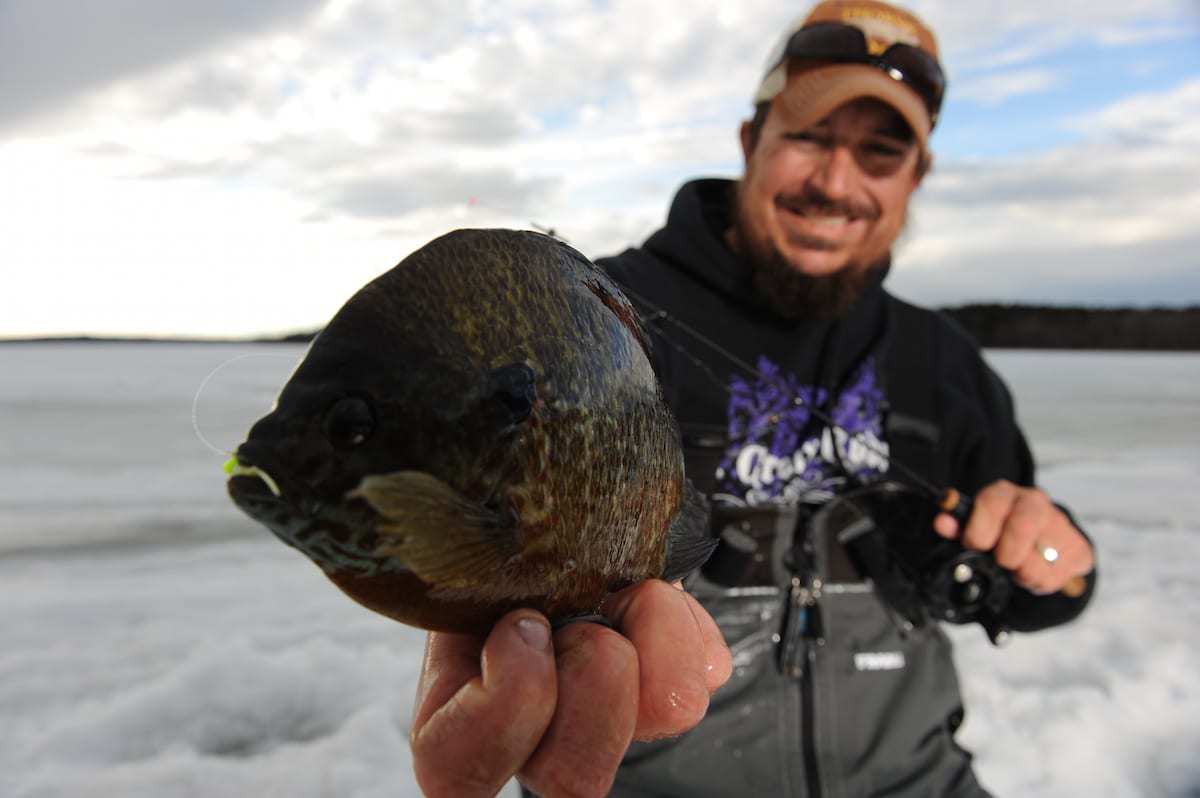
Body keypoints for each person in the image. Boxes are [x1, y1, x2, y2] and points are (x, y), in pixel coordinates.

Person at [412, 1, 1097, 796]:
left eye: (880, 154)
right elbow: (458, 507)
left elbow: (1026, 584)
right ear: (751, 140)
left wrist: (1056, 561)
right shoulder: (593, 316)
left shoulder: (944, 364)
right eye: (809, 138)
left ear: (916, 180)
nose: (835, 185)